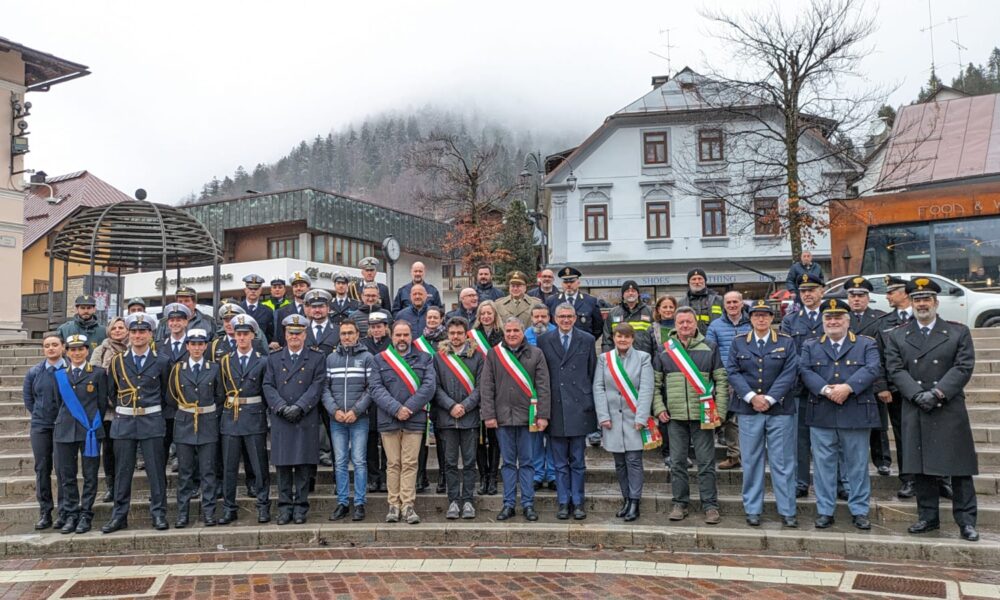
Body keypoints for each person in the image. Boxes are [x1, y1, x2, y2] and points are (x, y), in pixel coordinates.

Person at [885, 278, 980, 542]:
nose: (922, 304)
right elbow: (895, 369)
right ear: (911, 303)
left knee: (959, 469)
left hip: (948, 407)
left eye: (927, 299)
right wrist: (917, 394)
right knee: (921, 466)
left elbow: (963, 367)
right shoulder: (898, 334)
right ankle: (927, 517)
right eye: (917, 299)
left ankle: (966, 521)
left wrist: (938, 393)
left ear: (936, 303)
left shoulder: (957, 332)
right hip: (916, 406)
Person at [799, 298, 881, 530]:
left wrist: (848, 388)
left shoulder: (866, 344)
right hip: (822, 413)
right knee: (823, 466)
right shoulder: (810, 345)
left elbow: (873, 368)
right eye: (828, 318)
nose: (833, 321)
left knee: (857, 465)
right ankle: (825, 510)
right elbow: (804, 370)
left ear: (848, 321)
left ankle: (859, 510)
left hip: (855, 412)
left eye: (837, 317)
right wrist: (826, 389)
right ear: (823, 322)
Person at [652, 306, 729, 524]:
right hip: (674, 416)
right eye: (680, 322)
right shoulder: (664, 350)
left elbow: (722, 381)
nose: (685, 326)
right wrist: (659, 408)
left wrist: (720, 411)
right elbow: (655, 384)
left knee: (706, 462)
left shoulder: (710, 347)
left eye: (689, 322)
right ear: (675, 325)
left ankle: (710, 506)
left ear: (696, 323)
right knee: (677, 462)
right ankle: (680, 503)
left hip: (703, 416)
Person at [726, 300, 799, 528]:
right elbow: (732, 371)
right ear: (751, 318)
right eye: (756, 315)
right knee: (751, 461)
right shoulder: (739, 343)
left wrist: (768, 398)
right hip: (748, 409)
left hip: (779, 409)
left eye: (765, 315)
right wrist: (751, 397)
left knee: (783, 462)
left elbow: (789, 373)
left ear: (772, 318)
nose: (761, 319)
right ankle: (753, 508)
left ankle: (787, 510)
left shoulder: (786, 342)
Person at [104, 312, 170, 534]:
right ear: (128, 335)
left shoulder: (161, 361)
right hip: (124, 421)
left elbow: (167, 394)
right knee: (123, 472)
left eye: (142, 331)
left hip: (151, 420)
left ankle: (159, 513)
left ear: (151, 334)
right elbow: (111, 393)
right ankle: (119, 516)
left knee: (156, 471)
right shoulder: (117, 362)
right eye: (133, 332)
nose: (138, 335)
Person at [481, 317, 551, 522]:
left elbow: (543, 387)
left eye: (516, 331)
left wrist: (543, 416)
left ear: (523, 332)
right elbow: (487, 387)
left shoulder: (536, 354)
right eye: (508, 331)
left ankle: (528, 504)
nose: (512, 334)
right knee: (509, 463)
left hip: (528, 418)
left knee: (528, 463)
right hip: (502, 418)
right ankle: (508, 504)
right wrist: (489, 415)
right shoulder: (494, 354)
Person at [369, 321, 437, 525]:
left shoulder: (425, 358)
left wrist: (409, 408)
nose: (401, 339)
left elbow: (429, 386)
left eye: (405, 335)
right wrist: (396, 409)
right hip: (389, 419)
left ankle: (408, 505)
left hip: (414, 419)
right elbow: (375, 388)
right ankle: (393, 505)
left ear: (411, 336)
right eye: (398, 335)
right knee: (393, 463)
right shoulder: (380, 359)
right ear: (392, 336)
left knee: (410, 463)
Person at [264, 314, 326, 525]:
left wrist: (300, 406)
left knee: (302, 466)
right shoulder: (273, 358)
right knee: (282, 466)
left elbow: (317, 385)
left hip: (304, 417)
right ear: (285, 334)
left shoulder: (316, 358)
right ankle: (284, 508)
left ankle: (300, 507)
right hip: (282, 417)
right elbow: (268, 386)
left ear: (305, 334)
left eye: (298, 333)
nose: (294, 337)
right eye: (291, 333)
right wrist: (281, 407)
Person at [538, 304, 597, 520]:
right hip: (556, 407)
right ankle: (563, 502)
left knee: (578, 461)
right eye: (561, 316)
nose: (565, 320)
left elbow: (591, 372)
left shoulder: (587, 339)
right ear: (554, 318)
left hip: (580, 407)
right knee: (560, 463)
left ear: (575, 318)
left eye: (569, 316)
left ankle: (578, 502)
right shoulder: (545, 340)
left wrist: (588, 401)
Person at [594, 323, 654, 522]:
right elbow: (599, 387)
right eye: (619, 336)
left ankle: (635, 501)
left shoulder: (643, 358)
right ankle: (626, 499)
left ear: (632, 339)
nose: (622, 340)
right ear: (613, 337)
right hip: (612, 418)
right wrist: (603, 416)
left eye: (627, 337)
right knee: (619, 463)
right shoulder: (604, 359)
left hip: (633, 417)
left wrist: (641, 417)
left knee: (634, 461)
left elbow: (646, 389)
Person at [166, 328, 224, 528]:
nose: (197, 348)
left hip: (207, 423)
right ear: (187, 346)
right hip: (185, 423)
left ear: (205, 346)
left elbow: (220, 396)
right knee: (185, 473)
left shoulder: (214, 368)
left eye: (200, 344)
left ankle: (209, 512)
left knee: (208, 472)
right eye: (193, 344)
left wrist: (206, 412)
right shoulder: (178, 369)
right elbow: (171, 396)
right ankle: (183, 514)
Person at [218, 314, 271, 525]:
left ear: (252, 335)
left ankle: (263, 506)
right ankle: (229, 508)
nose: (241, 338)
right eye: (238, 334)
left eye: (245, 334)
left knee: (259, 466)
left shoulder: (262, 361)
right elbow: (221, 391)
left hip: (254, 416)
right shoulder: (225, 361)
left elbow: (266, 391)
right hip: (231, 418)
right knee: (229, 467)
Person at [52, 334, 107, 534]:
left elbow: (101, 403)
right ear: (66, 352)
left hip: (89, 430)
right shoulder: (59, 375)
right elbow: (58, 403)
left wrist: (92, 422)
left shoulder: (98, 374)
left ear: (87, 351)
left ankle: (86, 514)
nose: (76, 353)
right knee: (66, 475)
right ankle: (71, 513)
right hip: (65, 429)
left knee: (90, 474)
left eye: (80, 349)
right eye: (72, 349)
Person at [322, 319, 376, 522]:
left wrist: (356, 410)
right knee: (340, 461)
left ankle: (360, 502)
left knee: (360, 461)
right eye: (343, 333)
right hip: (337, 419)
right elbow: (324, 388)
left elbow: (371, 388)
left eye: (350, 333)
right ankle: (343, 502)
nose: (346, 337)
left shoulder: (367, 358)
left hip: (359, 418)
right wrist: (334, 410)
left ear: (357, 335)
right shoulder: (330, 359)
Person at [779, 272, 826, 498]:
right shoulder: (791, 320)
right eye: (803, 291)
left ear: (821, 292)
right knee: (799, 439)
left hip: (828, 388)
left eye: (812, 290)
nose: (807, 295)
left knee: (828, 439)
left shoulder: (832, 314)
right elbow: (789, 354)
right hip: (799, 388)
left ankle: (833, 482)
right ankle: (800, 481)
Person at [433, 316, 484, 520]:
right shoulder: (439, 357)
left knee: (470, 462)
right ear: (447, 333)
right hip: (447, 418)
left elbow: (481, 387)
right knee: (450, 463)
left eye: (459, 333)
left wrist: (465, 406)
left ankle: (469, 501)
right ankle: (453, 500)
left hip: (469, 418)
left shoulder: (477, 357)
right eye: (452, 333)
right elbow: (435, 387)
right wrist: (451, 405)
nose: (455, 337)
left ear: (466, 334)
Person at [873, 275, 918, 499]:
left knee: (932, 434)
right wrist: (882, 386)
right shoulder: (885, 323)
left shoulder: (925, 318)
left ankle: (940, 479)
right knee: (902, 437)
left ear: (905, 293)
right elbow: (878, 358)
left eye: (892, 292)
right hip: (897, 390)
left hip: (924, 389)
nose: (887, 296)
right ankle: (908, 478)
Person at [845, 276, 891, 477]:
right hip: (846, 379)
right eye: (852, 296)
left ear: (868, 297)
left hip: (873, 380)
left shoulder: (880, 319)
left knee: (878, 423)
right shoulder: (839, 317)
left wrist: (882, 385)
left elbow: (884, 354)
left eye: (861, 295)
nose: (856, 299)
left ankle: (883, 461)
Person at [24, 333, 69, 531]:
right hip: (41, 425)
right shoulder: (34, 372)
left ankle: (64, 511)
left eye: (54, 345)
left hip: (63, 426)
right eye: (47, 346)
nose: (51, 348)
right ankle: (45, 511)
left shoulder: (69, 370)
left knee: (63, 469)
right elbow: (29, 399)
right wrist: (40, 414)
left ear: (63, 347)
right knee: (42, 469)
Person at [705, 291, 751, 470]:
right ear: (724, 305)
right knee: (728, 418)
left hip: (749, 376)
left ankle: (749, 456)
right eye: (728, 302)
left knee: (747, 419)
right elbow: (709, 351)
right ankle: (734, 455)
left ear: (741, 303)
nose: (732, 305)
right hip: (725, 378)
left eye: (735, 302)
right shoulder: (715, 326)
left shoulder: (751, 323)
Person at [91, 316, 129, 503]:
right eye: (114, 328)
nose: (118, 331)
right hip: (108, 409)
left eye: (121, 328)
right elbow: (94, 378)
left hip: (129, 406)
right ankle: (111, 485)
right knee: (109, 450)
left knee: (125, 450)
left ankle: (124, 484)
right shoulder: (101, 350)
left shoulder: (134, 347)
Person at [471, 300, 503, 494]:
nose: (486, 317)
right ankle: (483, 476)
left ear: (495, 315)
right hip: (476, 391)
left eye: (489, 313)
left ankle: (493, 476)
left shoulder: (502, 335)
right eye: (482, 313)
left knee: (495, 439)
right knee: (478, 440)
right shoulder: (472, 336)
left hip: (497, 391)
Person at [416, 306, 448, 493]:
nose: (432, 320)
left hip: (442, 396)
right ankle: (421, 476)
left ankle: (443, 476)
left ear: (441, 319)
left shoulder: (446, 342)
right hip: (424, 397)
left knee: (442, 438)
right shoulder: (417, 343)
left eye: (436, 317)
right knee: (421, 439)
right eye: (429, 317)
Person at [159, 302, 192, 474]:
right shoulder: (158, 346)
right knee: (161, 449)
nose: (175, 323)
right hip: (165, 407)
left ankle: (191, 485)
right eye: (172, 320)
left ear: (186, 322)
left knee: (187, 449)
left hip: (188, 404)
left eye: (179, 320)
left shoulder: (194, 345)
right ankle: (159, 487)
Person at [363, 311, 391, 493]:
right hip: (369, 400)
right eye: (373, 327)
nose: (376, 330)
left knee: (388, 442)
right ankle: (373, 478)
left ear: (386, 327)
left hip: (389, 398)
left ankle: (386, 476)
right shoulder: (363, 346)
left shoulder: (392, 345)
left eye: (379, 326)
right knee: (371, 441)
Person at [545, 267, 604, 341]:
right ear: (562, 284)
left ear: (578, 283)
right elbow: (548, 325)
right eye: (566, 282)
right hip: (558, 344)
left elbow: (598, 327)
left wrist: (588, 341)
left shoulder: (590, 301)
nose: (569, 285)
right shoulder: (552, 301)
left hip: (582, 344)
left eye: (572, 282)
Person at [602, 280, 655, 355]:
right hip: (619, 359)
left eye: (633, 291)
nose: (630, 293)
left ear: (638, 294)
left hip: (643, 359)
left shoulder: (650, 312)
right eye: (627, 291)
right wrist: (608, 359)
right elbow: (607, 341)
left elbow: (655, 339)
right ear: (623, 295)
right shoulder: (613, 313)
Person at [677, 269, 724, 334]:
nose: (697, 282)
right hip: (690, 339)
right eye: (694, 279)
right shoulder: (681, 303)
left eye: (700, 278)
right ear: (689, 282)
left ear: (705, 281)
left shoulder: (718, 300)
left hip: (714, 338)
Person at [274, 271, 312, 348]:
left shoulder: (315, 309)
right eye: (295, 286)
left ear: (308, 288)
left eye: (301, 286)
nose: (298, 288)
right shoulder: (282, 311)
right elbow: (281, 338)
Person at [239, 274, 275, 344]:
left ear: (261, 290)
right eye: (250, 288)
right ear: (245, 290)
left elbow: (270, 334)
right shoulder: (238, 309)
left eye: (256, 289)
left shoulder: (268, 311)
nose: (253, 291)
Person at [304, 289, 338, 356]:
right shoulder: (303, 331)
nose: (317, 310)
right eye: (314, 307)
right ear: (310, 309)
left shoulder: (338, 330)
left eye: (321, 306)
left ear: (328, 308)